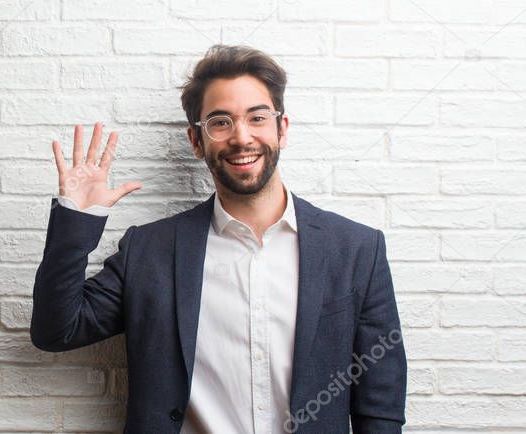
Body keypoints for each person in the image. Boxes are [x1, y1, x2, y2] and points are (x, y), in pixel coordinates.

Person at [31, 44, 407, 433]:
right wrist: (76, 221)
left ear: (282, 129)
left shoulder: (357, 250)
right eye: (221, 122)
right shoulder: (149, 251)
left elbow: (380, 404)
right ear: (197, 141)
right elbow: (56, 331)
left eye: (257, 117)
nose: (241, 137)